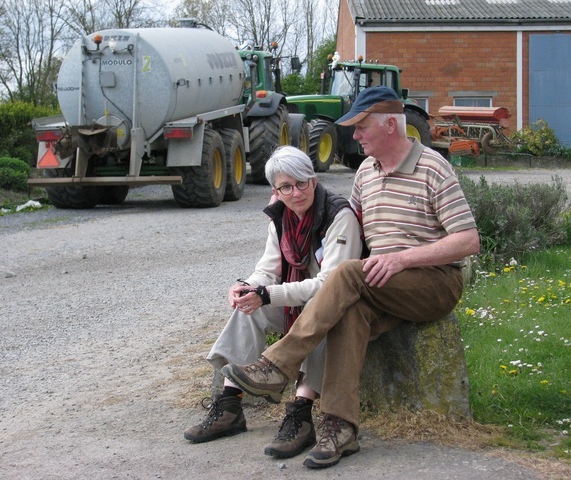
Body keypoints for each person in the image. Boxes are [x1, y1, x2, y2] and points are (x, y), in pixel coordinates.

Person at [221, 86, 481, 469]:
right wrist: (287, 203)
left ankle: (278, 365)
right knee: (348, 312)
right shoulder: (365, 172)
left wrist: (402, 259)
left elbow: (469, 240)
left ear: (391, 124)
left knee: (346, 275)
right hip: (382, 285)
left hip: (433, 282)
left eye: (361, 126)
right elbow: (345, 220)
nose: (355, 135)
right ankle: (341, 427)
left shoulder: (433, 167)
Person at [183, 146, 362, 459]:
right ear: (275, 191)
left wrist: (268, 294)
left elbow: (328, 285)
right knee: (248, 309)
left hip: (330, 302)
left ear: (314, 179)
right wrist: (247, 287)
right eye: (285, 187)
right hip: (295, 298)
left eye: (302, 183)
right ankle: (229, 405)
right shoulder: (280, 217)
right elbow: (268, 270)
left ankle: (300, 413)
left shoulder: (339, 216)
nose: (295, 193)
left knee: (318, 314)